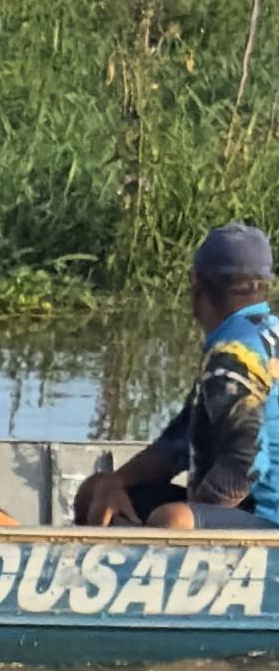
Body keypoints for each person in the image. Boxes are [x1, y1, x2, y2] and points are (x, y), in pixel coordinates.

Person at [74, 225, 279, 530]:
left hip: (266, 518)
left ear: (196, 283)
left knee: (172, 519)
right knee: (97, 492)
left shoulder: (234, 354)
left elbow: (243, 467)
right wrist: (116, 482)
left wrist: (191, 517)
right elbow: (179, 443)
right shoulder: (258, 334)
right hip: (242, 511)